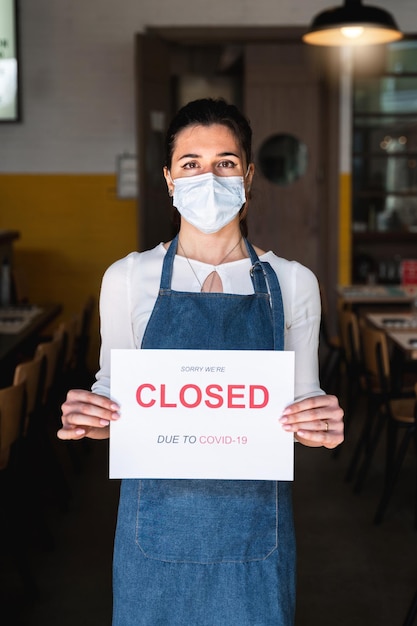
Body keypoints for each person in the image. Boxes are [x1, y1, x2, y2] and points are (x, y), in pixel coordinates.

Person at [58, 98, 344, 626]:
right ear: (169, 178)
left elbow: (303, 399)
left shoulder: (294, 282)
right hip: (153, 529)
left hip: (256, 530)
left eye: (225, 163)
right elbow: (114, 392)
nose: (207, 177)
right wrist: (91, 417)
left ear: (248, 175)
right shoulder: (126, 278)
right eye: (191, 164)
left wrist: (318, 425)